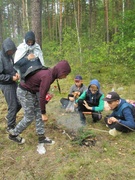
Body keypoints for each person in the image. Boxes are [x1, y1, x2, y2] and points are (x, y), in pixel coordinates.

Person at [8, 60, 71, 144]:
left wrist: (44, 101)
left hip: (32, 91)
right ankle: (13, 134)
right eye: (65, 74)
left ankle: (41, 137)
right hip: (24, 92)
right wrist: (44, 113)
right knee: (29, 116)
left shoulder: (51, 73)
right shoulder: (48, 76)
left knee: (38, 112)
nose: (65, 77)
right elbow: (41, 96)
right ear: (61, 71)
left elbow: (40, 90)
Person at [0, 38, 21, 131]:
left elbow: (12, 68)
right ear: (5, 49)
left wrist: (16, 73)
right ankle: (10, 127)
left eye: (12, 50)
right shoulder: (0, 58)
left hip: (13, 83)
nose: (11, 52)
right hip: (6, 85)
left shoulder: (10, 57)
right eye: (9, 51)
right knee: (13, 105)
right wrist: (10, 78)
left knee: (20, 102)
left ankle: (9, 117)